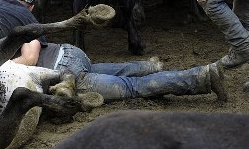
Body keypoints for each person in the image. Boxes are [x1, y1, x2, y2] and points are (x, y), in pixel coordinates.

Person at [18, 42, 228, 102]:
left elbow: (29, 57)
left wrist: (10, 64)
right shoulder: (11, 35)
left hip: (64, 71)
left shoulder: (9, 49)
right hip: (72, 53)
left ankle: (203, 76)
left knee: (133, 88)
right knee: (103, 71)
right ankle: (151, 67)